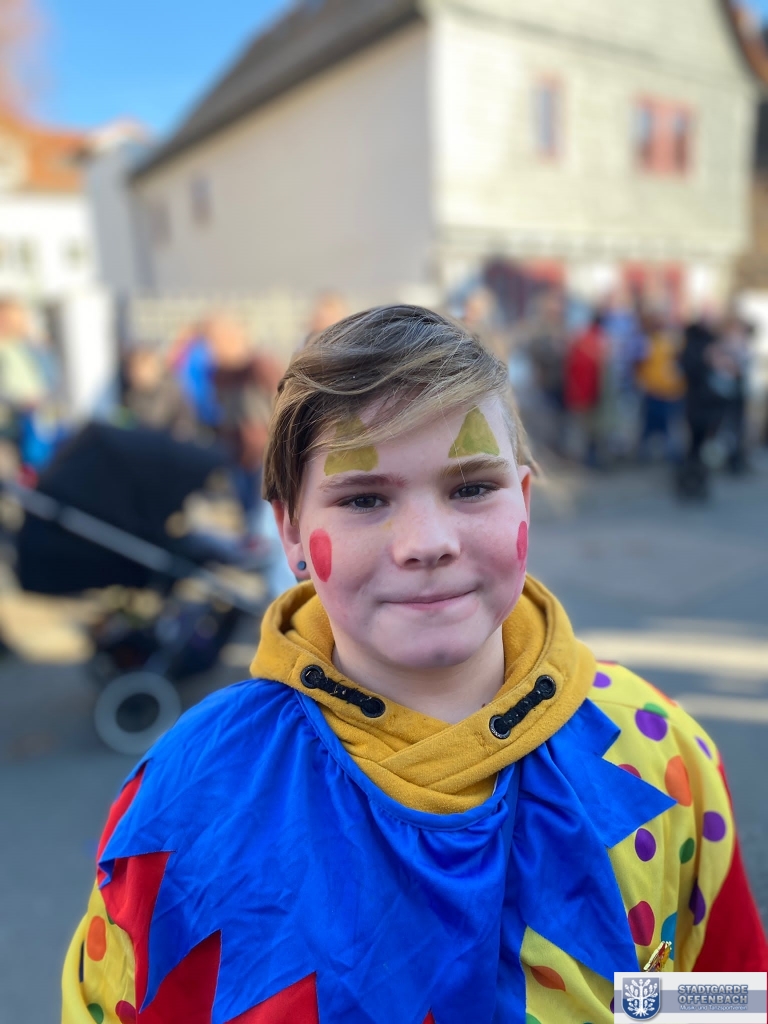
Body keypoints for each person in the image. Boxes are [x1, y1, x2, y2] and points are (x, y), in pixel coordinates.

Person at [62, 306, 767, 1024]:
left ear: (523, 501)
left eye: (472, 488)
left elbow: (719, 999)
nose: (427, 543)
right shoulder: (188, 795)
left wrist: (631, 1003)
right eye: (364, 499)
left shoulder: (655, 751)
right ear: (292, 532)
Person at [634, 311, 686, 461]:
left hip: (672, 391)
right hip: (654, 390)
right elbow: (640, 364)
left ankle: (670, 452)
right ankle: (645, 451)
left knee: (670, 424)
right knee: (650, 423)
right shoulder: (648, 341)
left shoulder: (674, 341)